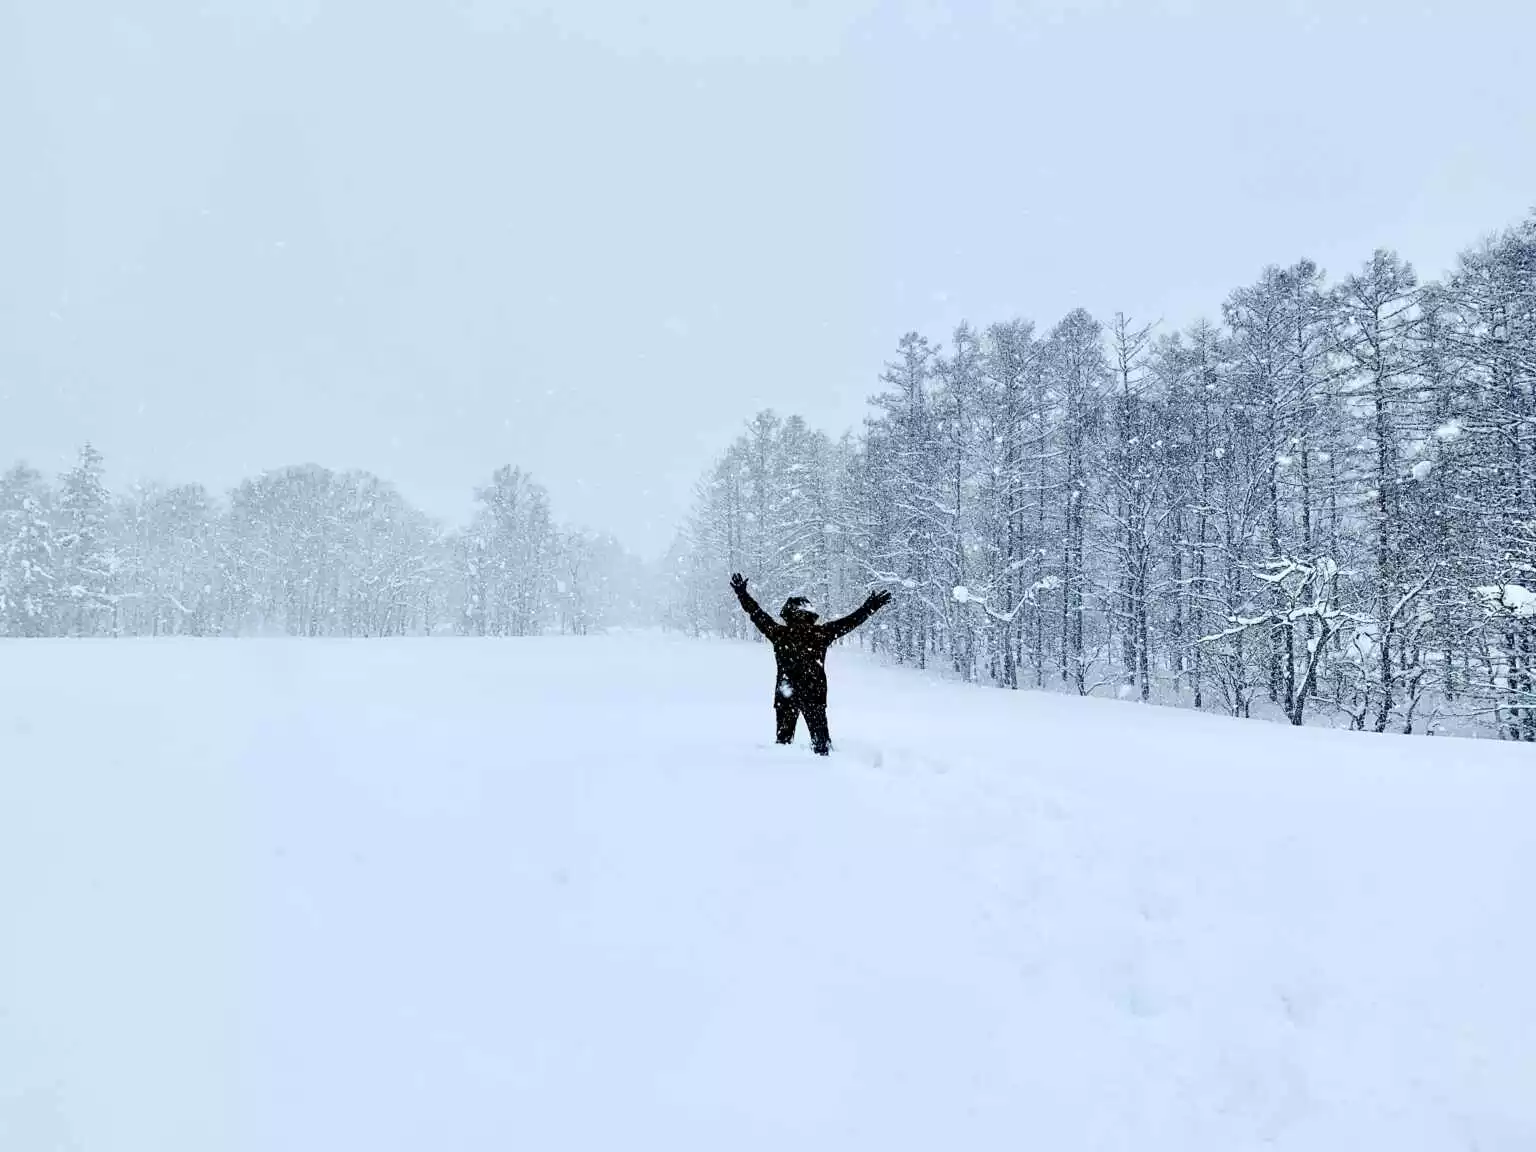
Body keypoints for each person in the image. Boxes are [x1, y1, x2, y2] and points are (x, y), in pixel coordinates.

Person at [729, 572, 892, 755]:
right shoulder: (820, 634)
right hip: (814, 693)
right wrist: (869, 607)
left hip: (786, 692)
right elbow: (850, 622)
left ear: (788, 614)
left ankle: (782, 772)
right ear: (810, 615)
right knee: (821, 746)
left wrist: (742, 594)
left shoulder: (779, 633)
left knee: (783, 745)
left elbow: (756, 614)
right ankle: (825, 767)